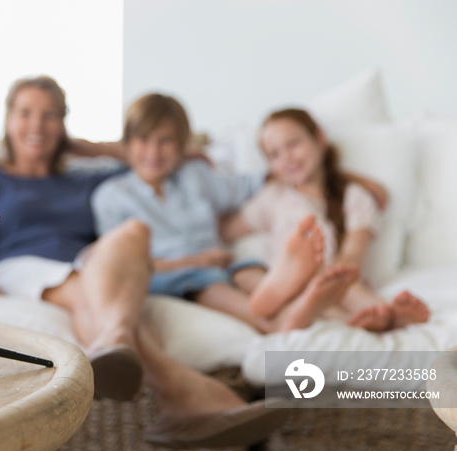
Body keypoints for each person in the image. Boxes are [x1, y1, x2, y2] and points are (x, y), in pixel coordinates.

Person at [0, 76, 288, 449]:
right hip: (21, 264)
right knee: (91, 293)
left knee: (134, 231)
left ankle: (118, 343)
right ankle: (178, 391)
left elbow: (143, 159)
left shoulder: (85, 180)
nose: (37, 126)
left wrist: (175, 151)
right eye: (26, 114)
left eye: (50, 116)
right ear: (8, 119)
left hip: (87, 262)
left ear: (64, 124)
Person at [91, 93, 362, 334]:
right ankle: (273, 322)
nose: (153, 152)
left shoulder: (195, 176)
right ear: (127, 142)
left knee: (249, 270)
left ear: (182, 145)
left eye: (165, 141)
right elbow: (115, 264)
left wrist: (340, 177)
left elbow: (262, 178)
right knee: (210, 285)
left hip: (220, 265)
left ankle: (339, 313)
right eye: (143, 140)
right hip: (171, 274)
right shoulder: (111, 196)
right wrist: (193, 261)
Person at [221, 108, 430, 331]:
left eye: (293, 144)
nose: (286, 158)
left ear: (319, 138)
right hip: (281, 284)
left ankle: (381, 313)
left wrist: (329, 276)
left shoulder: (353, 195)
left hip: (336, 282)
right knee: (245, 275)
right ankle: (377, 318)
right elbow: (224, 230)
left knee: (341, 287)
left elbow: (354, 254)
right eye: (274, 155)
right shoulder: (272, 197)